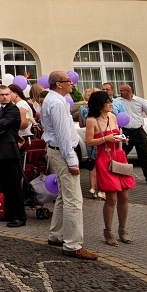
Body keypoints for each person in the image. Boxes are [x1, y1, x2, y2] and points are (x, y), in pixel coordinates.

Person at [42, 71, 96, 260]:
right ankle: (73, 244)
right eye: (68, 81)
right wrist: (72, 160)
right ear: (58, 84)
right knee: (74, 199)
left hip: (57, 150)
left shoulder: (55, 100)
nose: (72, 84)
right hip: (62, 151)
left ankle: (56, 234)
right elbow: (63, 134)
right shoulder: (56, 102)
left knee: (64, 196)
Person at [85, 90, 135, 245]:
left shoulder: (113, 117)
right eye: (108, 102)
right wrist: (106, 138)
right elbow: (89, 141)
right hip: (104, 158)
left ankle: (123, 229)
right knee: (111, 197)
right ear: (100, 104)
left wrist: (122, 139)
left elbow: (117, 135)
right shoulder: (92, 120)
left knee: (124, 196)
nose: (111, 105)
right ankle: (108, 231)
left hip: (119, 156)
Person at [0, 84, 27, 226]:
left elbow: (4, 124)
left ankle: (19, 217)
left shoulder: (13, 109)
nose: (5, 97)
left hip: (9, 151)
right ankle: (9, 213)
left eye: (7, 94)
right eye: (2, 95)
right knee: (4, 185)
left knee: (14, 185)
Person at [115, 84, 147, 186]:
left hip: (138, 131)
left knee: (144, 155)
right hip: (125, 131)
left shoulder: (140, 101)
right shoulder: (118, 101)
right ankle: (119, 177)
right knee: (121, 154)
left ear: (129, 91)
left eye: (122, 91)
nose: (120, 92)